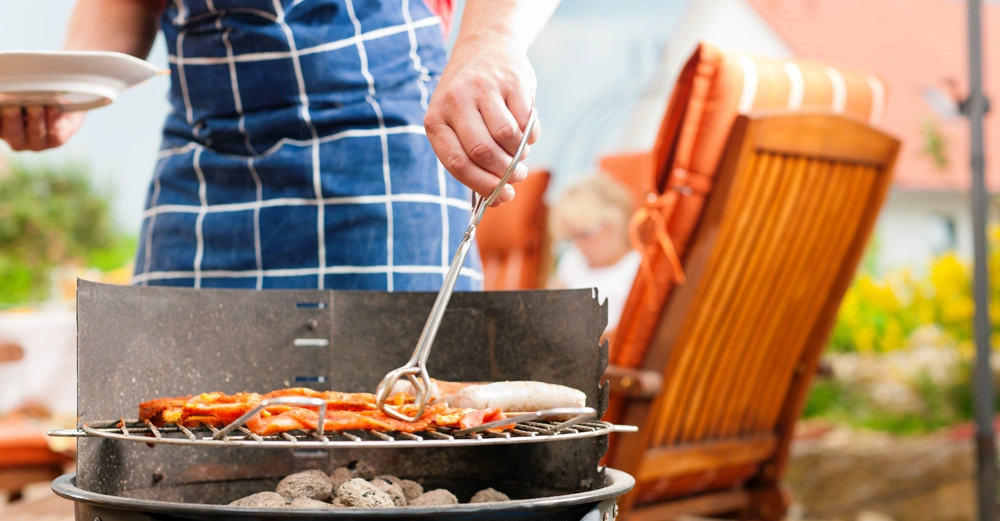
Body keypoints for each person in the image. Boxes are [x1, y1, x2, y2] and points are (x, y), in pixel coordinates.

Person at [0, 0, 559, 291]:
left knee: (410, 444)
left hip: (389, 151)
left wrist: (491, 40)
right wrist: (71, 88)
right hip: (203, 168)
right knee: (169, 436)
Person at [548, 174, 639, 332]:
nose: (579, 246)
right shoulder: (573, 259)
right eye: (571, 238)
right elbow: (548, 308)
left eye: (586, 234)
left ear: (615, 222)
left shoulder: (636, 268)